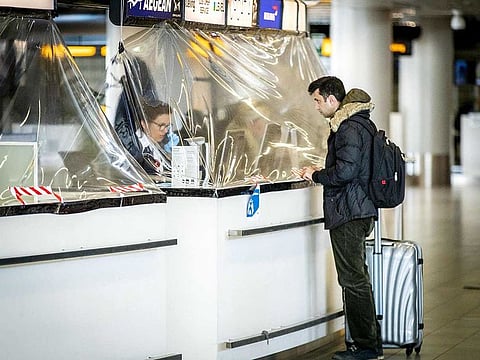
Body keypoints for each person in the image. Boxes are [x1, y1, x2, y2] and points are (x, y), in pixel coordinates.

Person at [295, 76, 382, 360]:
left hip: (348, 212)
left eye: (318, 101)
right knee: (357, 278)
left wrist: (316, 174)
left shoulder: (347, 128)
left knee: (353, 281)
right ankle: (365, 344)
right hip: (359, 208)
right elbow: (352, 167)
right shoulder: (360, 123)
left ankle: (366, 347)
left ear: (333, 100)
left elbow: (345, 173)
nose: (317, 107)